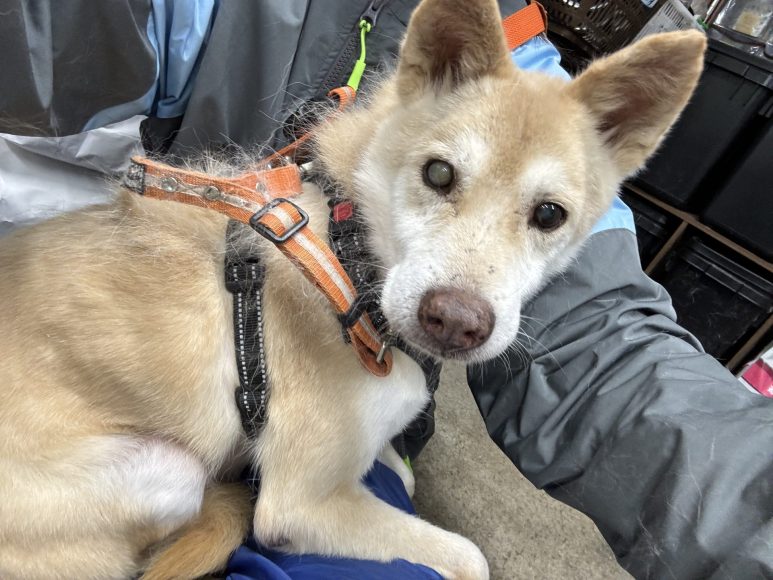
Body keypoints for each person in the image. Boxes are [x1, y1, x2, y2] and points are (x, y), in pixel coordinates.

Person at [0, 2, 770, 578]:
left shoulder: (528, 58)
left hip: (227, 432)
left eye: (544, 216)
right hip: (46, 457)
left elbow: (603, 339)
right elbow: (298, 507)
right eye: (441, 176)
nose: (466, 295)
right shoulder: (306, 260)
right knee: (444, 559)